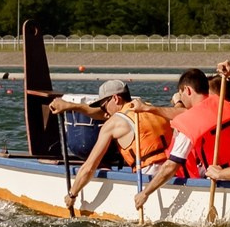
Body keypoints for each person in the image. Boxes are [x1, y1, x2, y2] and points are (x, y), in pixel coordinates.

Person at [129, 68, 230, 211]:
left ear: (187, 90)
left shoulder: (190, 122)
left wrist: (145, 193)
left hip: (222, 184)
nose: (181, 100)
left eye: (181, 94)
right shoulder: (226, 106)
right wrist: (148, 109)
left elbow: (171, 166)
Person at [48, 79, 175, 212]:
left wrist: (72, 194)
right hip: (172, 170)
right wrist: (70, 106)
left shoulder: (114, 123)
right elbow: (101, 114)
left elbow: (89, 167)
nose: (104, 111)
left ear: (115, 98)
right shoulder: (149, 107)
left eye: (104, 105)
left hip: (148, 175)